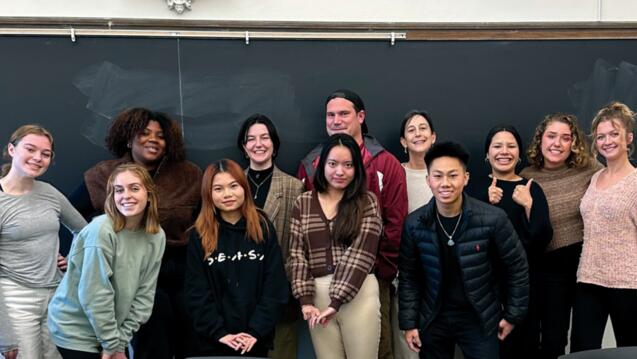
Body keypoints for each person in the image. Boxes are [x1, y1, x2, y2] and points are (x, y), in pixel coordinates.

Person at [69, 108, 202, 359]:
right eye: (144, 133)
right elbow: (67, 214)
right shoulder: (104, 174)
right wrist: (74, 253)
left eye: (160, 135)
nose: (153, 139)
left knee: (191, 340)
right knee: (152, 344)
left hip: (185, 269)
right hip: (134, 270)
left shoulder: (189, 174)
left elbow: (206, 221)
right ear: (129, 138)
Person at [298, 89, 407, 359]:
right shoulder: (310, 165)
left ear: (360, 116)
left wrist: (381, 269)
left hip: (369, 275)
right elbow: (302, 234)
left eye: (343, 113)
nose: (336, 120)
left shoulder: (385, 163)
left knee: (378, 350)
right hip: (321, 281)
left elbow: (395, 223)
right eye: (330, 115)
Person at [399, 141, 529, 359]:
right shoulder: (414, 223)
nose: (445, 183)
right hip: (434, 317)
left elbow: (517, 267)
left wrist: (513, 316)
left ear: (466, 178)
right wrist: (409, 323)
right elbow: (409, 277)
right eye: (438, 176)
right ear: (428, 180)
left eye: (453, 175)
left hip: (479, 317)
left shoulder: (493, 219)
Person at [48, 163, 166, 359]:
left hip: (111, 331)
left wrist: (118, 342)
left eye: (134, 188)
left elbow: (145, 295)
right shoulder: (101, 231)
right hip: (75, 328)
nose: (126, 195)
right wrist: (112, 345)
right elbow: (95, 294)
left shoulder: (156, 235)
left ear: (149, 193)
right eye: (118, 190)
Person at [289, 133, 383, 359]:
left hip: (359, 292)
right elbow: (296, 255)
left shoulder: (367, 202)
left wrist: (337, 301)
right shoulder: (303, 203)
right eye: (333, 164)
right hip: (317, 296)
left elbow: (362, 252)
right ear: (321, 165)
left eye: (348, 165)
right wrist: (305, 302)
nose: (340, 172)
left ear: (357, 168)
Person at [185, 159, 288, 357]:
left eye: (234, 186)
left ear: (244, 187)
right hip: (212, 341)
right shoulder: (199, 235)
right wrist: (219, 333)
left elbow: (275, 286)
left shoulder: (263, 227)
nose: (227, 194)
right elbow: (196, 292)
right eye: (218, 189)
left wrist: (255, 331)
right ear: (208, 193)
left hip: (255, 340)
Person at [0, 124, 87, 359]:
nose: (38, 158)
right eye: (30, 149)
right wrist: (5, 336)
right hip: (15, 301)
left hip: (54, 299)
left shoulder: (49, 192)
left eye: (45, 154)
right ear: (11, 149)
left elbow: (84, 232)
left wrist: (72, 260)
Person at [520, 113, 600, 359]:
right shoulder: (526, 176)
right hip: (541, 268)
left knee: (572, 341)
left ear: (573, 144)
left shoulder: (590, 170)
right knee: (541, 339)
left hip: (582, 268)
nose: (557, 143)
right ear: (540, 140)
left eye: (566, 138)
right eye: (551, 136)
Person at [469, 125, 553, 359]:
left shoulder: (531, 188)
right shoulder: (473, 188)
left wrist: (528, 206)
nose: (503, 151)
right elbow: (464, 238)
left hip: (522, 287)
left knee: (522, 349)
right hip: (483, 289)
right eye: (497, 146)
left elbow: (542, 240)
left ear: (519, 153)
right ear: (487, 153)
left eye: (511, 146)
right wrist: (483, 203)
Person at [236, 113, 304, 359]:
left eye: (264, 137)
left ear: (274, 144)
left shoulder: (294, 187)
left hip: (279, 292)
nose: (258, 144)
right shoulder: (232, 185)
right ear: (244, 147)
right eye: (251, 139)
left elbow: (298, 243)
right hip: (238, 293)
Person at [570, 102, 637, 352]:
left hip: (628, 284)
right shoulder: (595, 178)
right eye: (600, 136)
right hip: (588, 279)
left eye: (614, 134)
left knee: (630, 351)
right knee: (582, 350)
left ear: (628, 138)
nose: (607, 141)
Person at [393, 110, 437, 359]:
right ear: (403, 141)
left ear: (433, 137)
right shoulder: (395, 174)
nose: (418, 133)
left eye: (423, 128)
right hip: (406, 274)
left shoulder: (445, 175)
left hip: (440, 274)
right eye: (411, 129)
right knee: (406, 345)